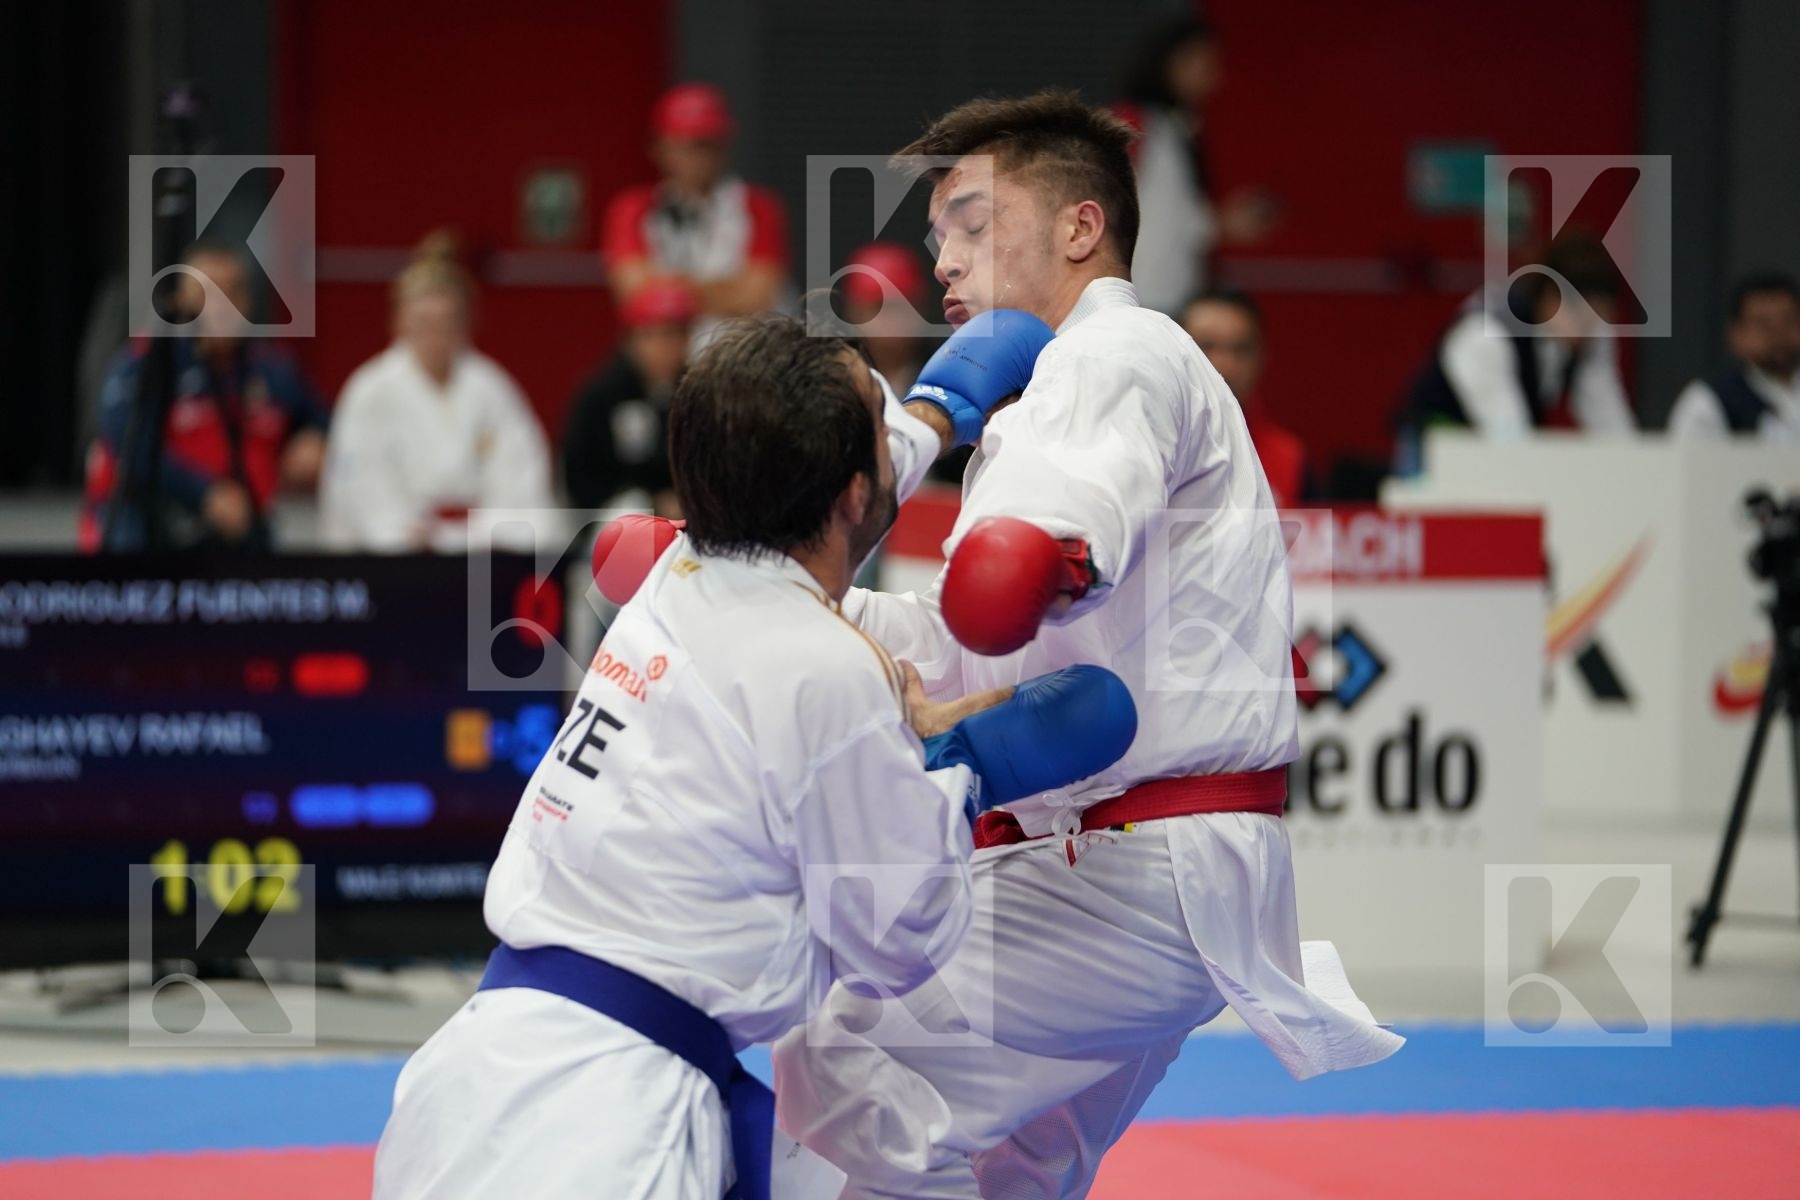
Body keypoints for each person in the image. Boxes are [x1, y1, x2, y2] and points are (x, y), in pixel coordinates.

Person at [772, 90, 1402, 1198]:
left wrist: (1042, 550)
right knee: (1013, 1171)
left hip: (1131, 868)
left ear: (1080, 228)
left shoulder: (1118, 348)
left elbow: (1060, 543)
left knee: (840, 1081)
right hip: (1126, 860)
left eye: (973, 224)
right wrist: (788, 611)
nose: (946, 265)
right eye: (936, 242)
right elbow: (973, 649)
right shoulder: (1043, 398)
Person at [371, 315, 1138, 1200]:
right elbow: (900, 941)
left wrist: (933, 413)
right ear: (855, 493)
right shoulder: (831, 673)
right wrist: (956, 772)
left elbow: (822, 476)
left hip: (482, 1073)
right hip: (603, 1131)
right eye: (882, 443)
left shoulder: (675, 573)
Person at [83, 240, 326, 552]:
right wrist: (205, 493)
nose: (222, 304)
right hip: (151, 515)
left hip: (240, 522)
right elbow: (130, 448)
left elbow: (323, 419)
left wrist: (315, 438)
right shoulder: (149, 363)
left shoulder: (271, 369)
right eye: (207, 293)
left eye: (233, 291)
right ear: (181, 301)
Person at [320, 232, 553, 552]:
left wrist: (472, 533)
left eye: (446, 322)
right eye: (424, 322)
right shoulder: (370, 391)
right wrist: (407, 534)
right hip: (401, 560)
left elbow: (523, 478)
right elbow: (359, 490)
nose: (436, 336)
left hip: (482, 554)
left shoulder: (492, 388)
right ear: (400, 322)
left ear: (466, 323)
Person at [1395, 232, 1638, 470]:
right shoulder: (1487, 334)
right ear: (1552, 298)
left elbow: (1611, 425)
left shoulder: (1590, 334)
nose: (1590, 329)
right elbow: (1508, 438)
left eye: (1599, 317)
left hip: (1495, 447)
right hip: (1435, 445)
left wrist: (1634, 468)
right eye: (1584, 316)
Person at [601, 83, 790, 348]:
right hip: (664, 358)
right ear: (660, 148)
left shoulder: (759, 207)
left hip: (743, 354)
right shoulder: (632, 208)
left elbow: (758, 296)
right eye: (685, 145)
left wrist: (668, 291)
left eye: (705, 145)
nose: (696, 157)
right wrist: (727, 291)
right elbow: (634, 294)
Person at [1114, 15, 1278, 314]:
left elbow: (1171, 214)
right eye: (1205, 64)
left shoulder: (1177, 130)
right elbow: (1109, 203)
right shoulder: (1135, 123)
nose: (1215, 78)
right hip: (1141, 297)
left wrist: (1219, 223)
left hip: (1174, 296)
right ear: (1173, 62)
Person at [562, 277, 697, 518]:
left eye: (672, 334)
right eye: (650, 335)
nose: (662, 346)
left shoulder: (700, 394)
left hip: (690, 510)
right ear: (630, 340)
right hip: (616, 512)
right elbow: (581, 474)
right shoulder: (602, 396)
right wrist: (652, 501)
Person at [1180, 286, 1309, 506]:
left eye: (1241, 349)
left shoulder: (1289, 458)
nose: (1225, 366)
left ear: (1262, 357)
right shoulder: (1150, 451)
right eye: (1206, 347)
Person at [1667, 270, 1800, 441]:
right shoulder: (1709, 400)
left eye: (1787, 321)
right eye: (1763, 324)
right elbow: (1689, 463)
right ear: (1735, 333)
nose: (1778, 334)